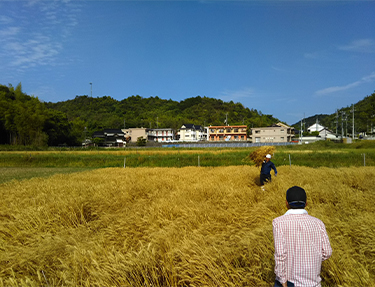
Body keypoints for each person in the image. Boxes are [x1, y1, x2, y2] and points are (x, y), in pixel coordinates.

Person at [272, 186, 333, 287]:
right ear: (306, 203)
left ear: (286, 203)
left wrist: (283, 283)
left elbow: (280, 255)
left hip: (290, 283)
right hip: (314, 283)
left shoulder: (278, 223)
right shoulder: (318, 223)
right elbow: (327, 252)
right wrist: (312, 258)